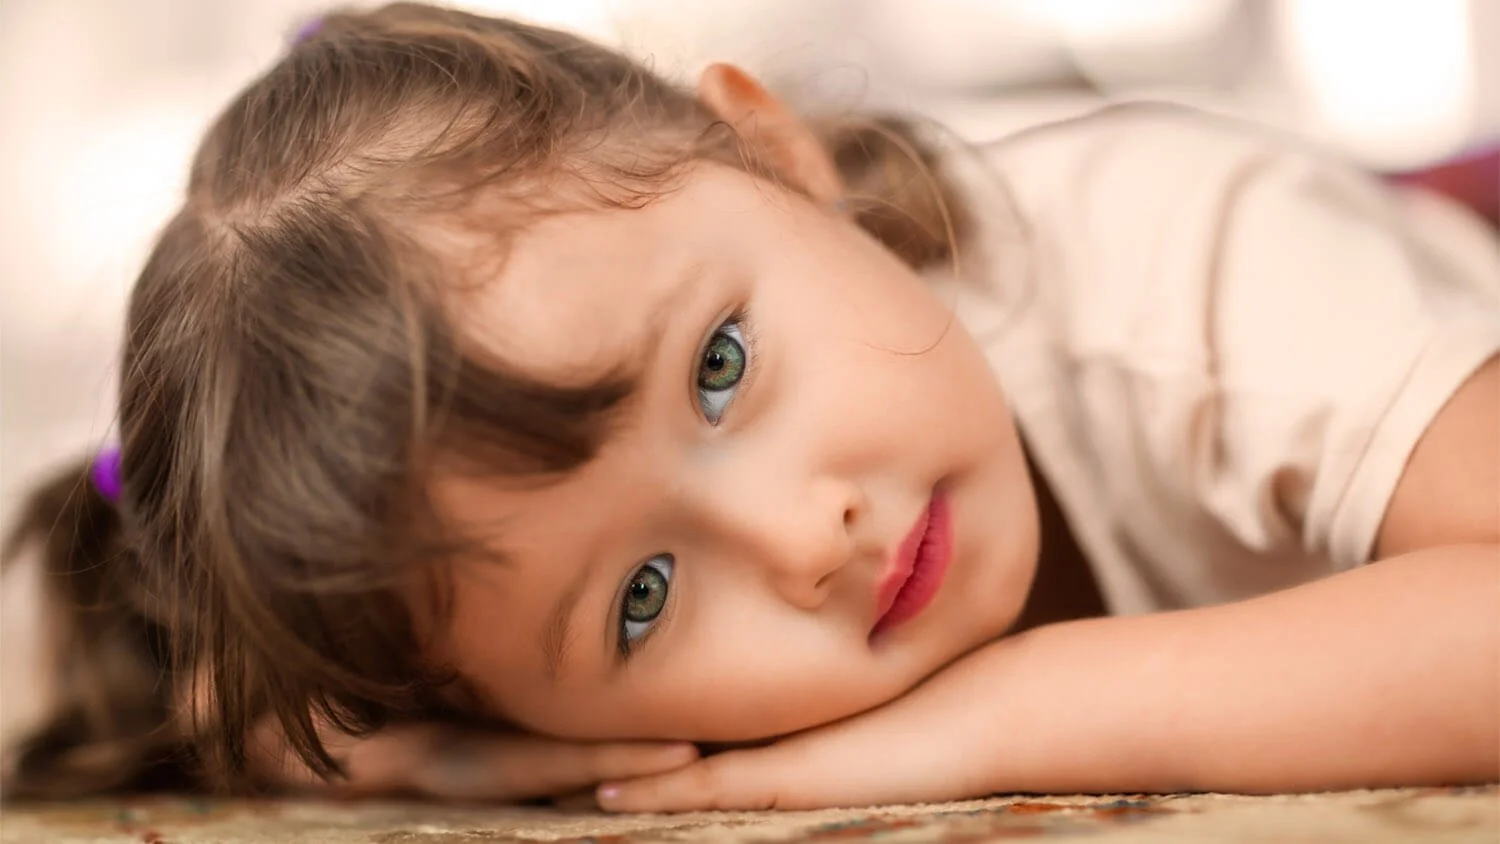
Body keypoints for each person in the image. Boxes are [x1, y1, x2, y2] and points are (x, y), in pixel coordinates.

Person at [3, 2, 1496, 811]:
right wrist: (441, 758)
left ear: (780, 157)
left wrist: (1016, 714)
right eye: (643, 599)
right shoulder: (537, 673)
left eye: (721, 366)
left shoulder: (1192, 267)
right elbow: (201, 700)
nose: (806, 540)